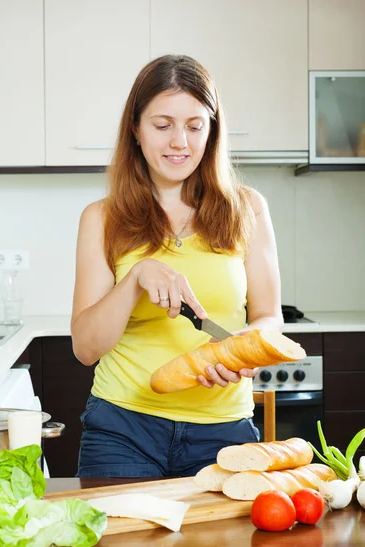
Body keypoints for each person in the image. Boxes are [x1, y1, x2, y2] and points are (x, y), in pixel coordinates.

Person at [71, 54, 284, 478]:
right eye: (162, 124)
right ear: (135, 129)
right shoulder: (102, 218)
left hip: (223, 433)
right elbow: (86, 348)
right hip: (122, 428)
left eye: (194, 125)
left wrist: (244, 345)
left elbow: (268, 316)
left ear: (212, 129)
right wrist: (134, 279)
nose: (179, 142)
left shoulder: (248, 209)